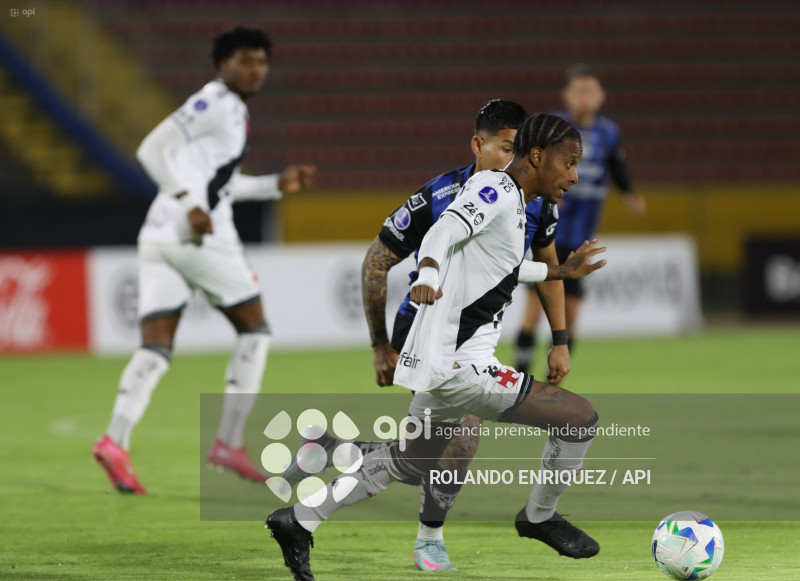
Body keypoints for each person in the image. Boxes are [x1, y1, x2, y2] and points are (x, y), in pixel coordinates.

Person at [267, 113, 607, 581]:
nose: (574, 175)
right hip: (462, 366)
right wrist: (426, 272)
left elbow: (501, 268)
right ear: (536, 156)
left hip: (437, 363)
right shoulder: (495, 191)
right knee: (580, 419)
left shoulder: (516, 204)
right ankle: (539, 516)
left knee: (409, 461)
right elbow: (441, 232)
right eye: (569, 163)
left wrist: (561, 272)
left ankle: (300, 519)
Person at [92, 26, 316, 494]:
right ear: (223, 65)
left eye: (261, 61)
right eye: (246, 60)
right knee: (255, 331)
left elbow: (220, 184)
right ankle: (229, 442)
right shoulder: (214, 101)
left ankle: (115, 440)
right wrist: (185, 201)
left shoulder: (229, 112)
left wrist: (275, 184)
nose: (256, 69)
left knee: (155, 348)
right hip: (197, 237)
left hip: (159, 235)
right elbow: (150, 149)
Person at [515, 64, 645, 374]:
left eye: (590, 91)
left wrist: (629, 193)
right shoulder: (552, 128)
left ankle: (553, 379)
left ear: (601, 96)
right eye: (579, 91)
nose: (584, 98)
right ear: (567, 95)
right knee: (535, 309)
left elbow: (616, 164)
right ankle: (519, 374)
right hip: (548, 232)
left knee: (570, 313)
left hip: (582, 235)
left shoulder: (609, 132)